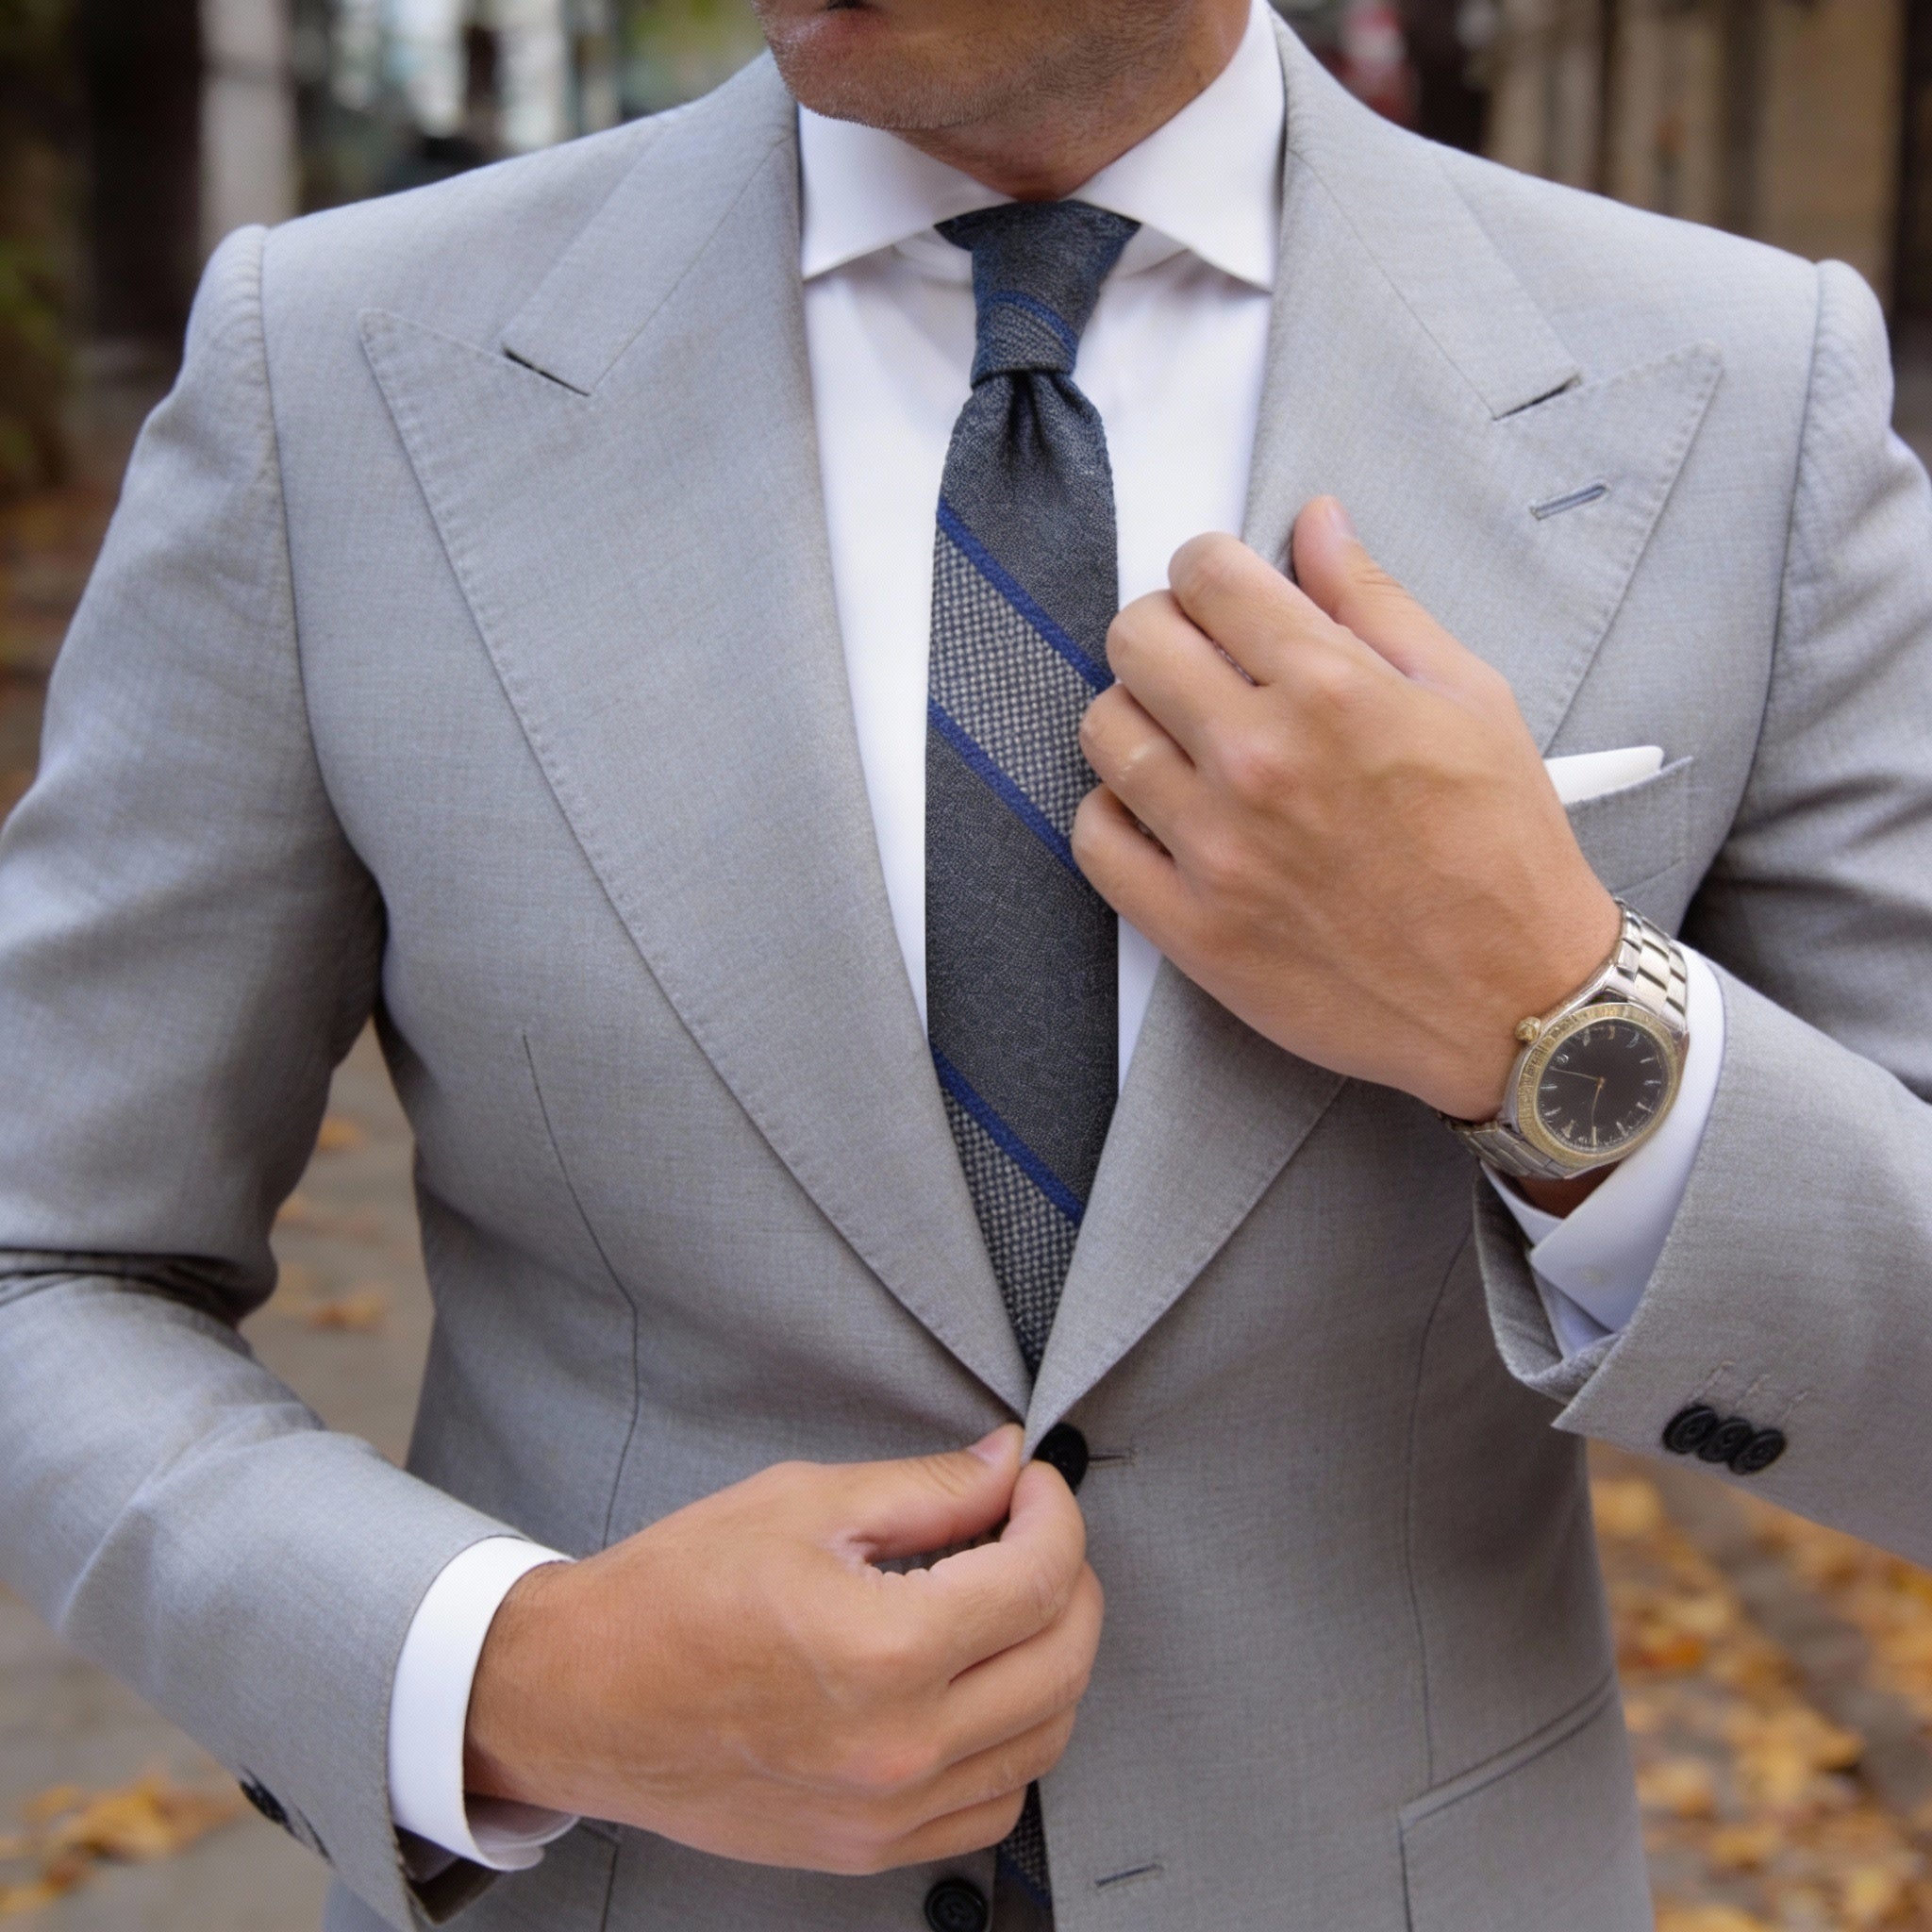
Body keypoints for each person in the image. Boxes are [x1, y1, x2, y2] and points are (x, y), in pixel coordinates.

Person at [1, 0, 1929, 1925]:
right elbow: (45, 1253)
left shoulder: (1739, 394)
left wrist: (1558, 1019)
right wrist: (508, 1679)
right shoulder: (330, 371)